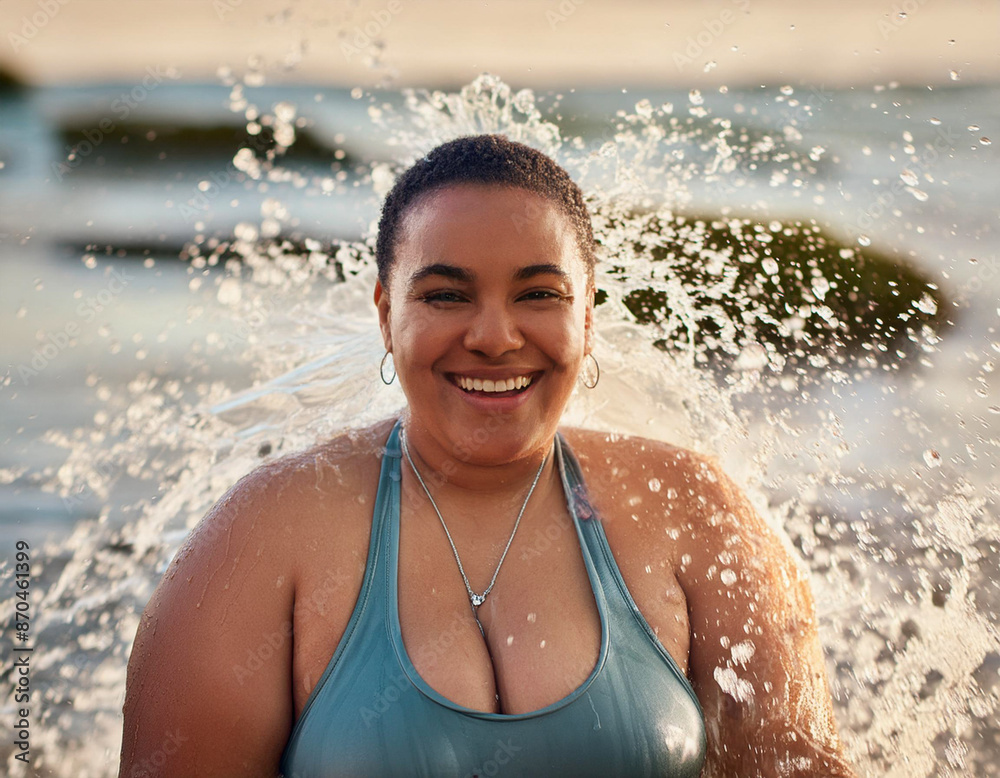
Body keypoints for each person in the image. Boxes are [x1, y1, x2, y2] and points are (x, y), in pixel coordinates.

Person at [119, 134, 855, 777]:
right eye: (446, 296)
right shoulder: (264, 534)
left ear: (587, 316)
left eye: (538, 294)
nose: (495, 336)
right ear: (386, 313)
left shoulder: (689, 508)